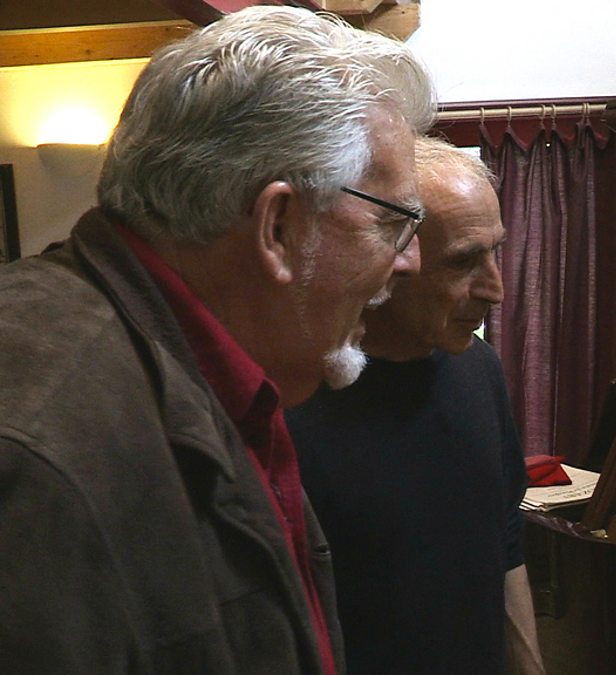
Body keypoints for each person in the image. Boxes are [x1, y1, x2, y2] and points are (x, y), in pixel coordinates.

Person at [0, 7, 434, 673]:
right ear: (279, 226)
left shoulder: (217, 379)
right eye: (392, 223)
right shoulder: (42, 448)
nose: (409, 263)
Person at [286, 136, 545, 674]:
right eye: (463, 262)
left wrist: (529, 665)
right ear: (390, 259)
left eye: (494, 251)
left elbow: (503, 542)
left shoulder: (480, 368)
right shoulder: (295, 399)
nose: (495, 290)